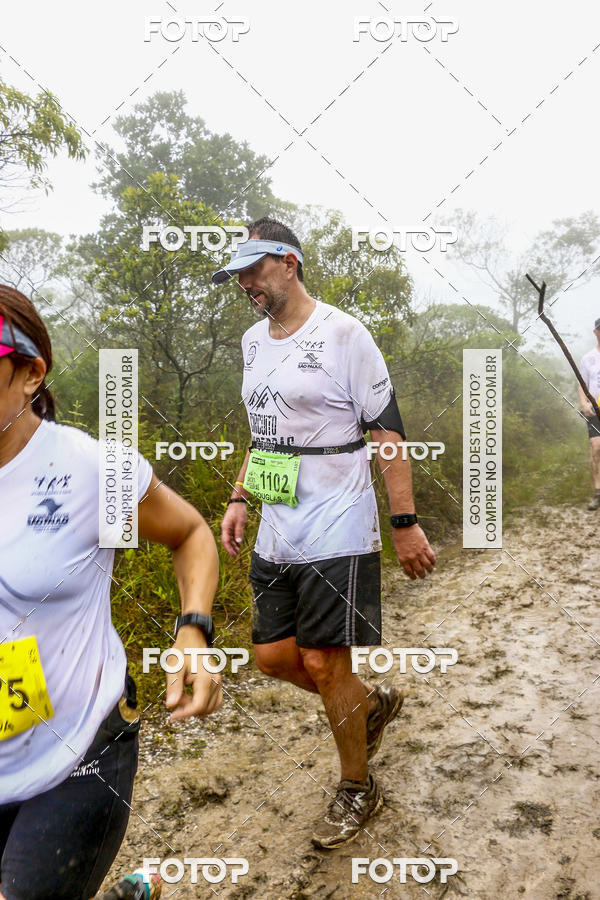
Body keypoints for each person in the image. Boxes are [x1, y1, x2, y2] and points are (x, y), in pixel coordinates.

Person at [216, 218, 436, 849]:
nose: (244, 283)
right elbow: (266, 433)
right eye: (237, 275)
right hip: (279, 518)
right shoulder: (253, 342)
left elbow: (387, 431)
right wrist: (239, 496)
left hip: (339, 518)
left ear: (288, 262)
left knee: (322, 659)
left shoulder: (343, 333)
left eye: (254, 269)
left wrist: (404, 522)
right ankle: (366, 705)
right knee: (274, 658)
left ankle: (357, 788)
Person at [0, 285, 221, 900]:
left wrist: (193, 631)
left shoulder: (87, 472)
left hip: (78, 751)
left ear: (29, 373)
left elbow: (191, 534)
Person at [579, 317, 600, 510]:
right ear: (595, 332)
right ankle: (597, 492)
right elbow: (581, 384)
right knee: (596, 448)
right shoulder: (588, 358)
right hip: (595, 409)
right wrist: (584, 404)